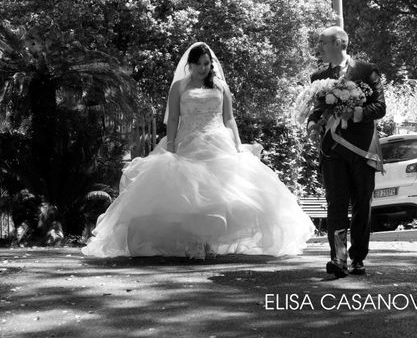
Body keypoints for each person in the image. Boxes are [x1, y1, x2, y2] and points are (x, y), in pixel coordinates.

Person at [83, 42, 315, 259]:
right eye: (199, 64)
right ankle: (193, 242)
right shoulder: (179, 87)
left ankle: (209, 242)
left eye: (207, 64)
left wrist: (237, 145)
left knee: (218, 195)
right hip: (187, 141)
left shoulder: (221, 86)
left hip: (218, 141)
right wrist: (171, 145)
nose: (204, 68)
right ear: (190, 65)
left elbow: (230, 119)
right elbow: (173, 118)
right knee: (189, 196)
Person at [307, 26, 386, 277]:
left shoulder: (366, 70)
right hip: (332, 150)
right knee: (336, 204)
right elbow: (317, 109)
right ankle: (338, 259)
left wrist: (357, 112)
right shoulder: (318, 76)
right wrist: (312, 122)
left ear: (340, 43)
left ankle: (357, 258)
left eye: (324, 42)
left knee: (362, 204)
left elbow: (380, 107)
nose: (320, 47)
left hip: (362, 149)